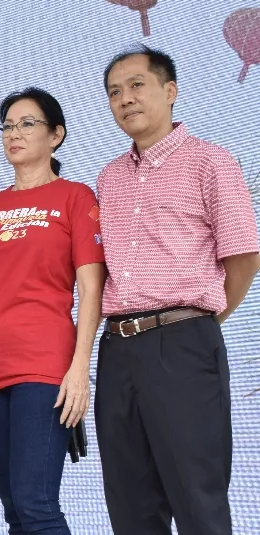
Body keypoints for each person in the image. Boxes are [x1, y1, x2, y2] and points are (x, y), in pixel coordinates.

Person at [94, 45, 260, 535]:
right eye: (114, 92)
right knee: (130, 506)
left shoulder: (211, 161)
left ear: (170, 91)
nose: (125, 99)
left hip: (184, 345)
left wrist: (195, 321)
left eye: (137, 85)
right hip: (116, 348)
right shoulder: (108, 177)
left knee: (197, 499)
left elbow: (244, 257)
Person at [0, 88, 105, 535]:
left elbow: (91, 291)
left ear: (56, 135)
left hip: (42, 366)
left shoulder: (75, 197)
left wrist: (79, 370)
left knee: (37, 505)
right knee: (15, 507)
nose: (14, 134)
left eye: (27, 124)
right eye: (7, 126)